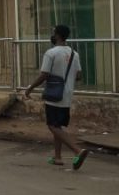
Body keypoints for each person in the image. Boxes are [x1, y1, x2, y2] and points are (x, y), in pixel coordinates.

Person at [23, 24, 91, 170]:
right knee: (58, 125)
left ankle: (77, 150)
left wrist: (30, 88)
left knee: (52, 125)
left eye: (53, 33)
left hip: (54, 94)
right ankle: (58, 157)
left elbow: (44, 75)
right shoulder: (74, 53)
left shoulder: (51, 53)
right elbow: (79, 76)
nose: (52, 35)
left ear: (58, 35)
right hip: (66, 95)